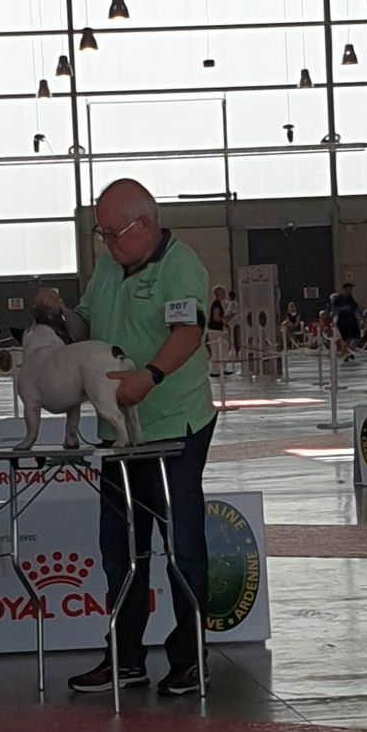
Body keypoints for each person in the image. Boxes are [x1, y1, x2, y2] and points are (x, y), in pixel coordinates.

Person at [34, 179, 216, 696]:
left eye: (113, 232)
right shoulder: (108, 268)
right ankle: (125, 656)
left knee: (182, 547)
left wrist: (149, 377)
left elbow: (188, 333)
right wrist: (59, 314)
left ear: (146, 224)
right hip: (119, 433)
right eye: (102, 233)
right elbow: (85, 327)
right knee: (120, 550)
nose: (107, 242)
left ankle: (190, 658)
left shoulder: (180, 266)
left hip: (173, 427)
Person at [331, 282, 361, 361]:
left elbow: (355, 307)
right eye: (349, 289)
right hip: (343, 321)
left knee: (357, 338)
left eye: (351, 289)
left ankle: (348, 351)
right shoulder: (339, 298)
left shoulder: (351, 298)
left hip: (352, 320)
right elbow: (334, 309)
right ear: (345, 289)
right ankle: (345, 354)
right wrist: (343, 309)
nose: (350, 290)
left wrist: (359, 317)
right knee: (345, 339)